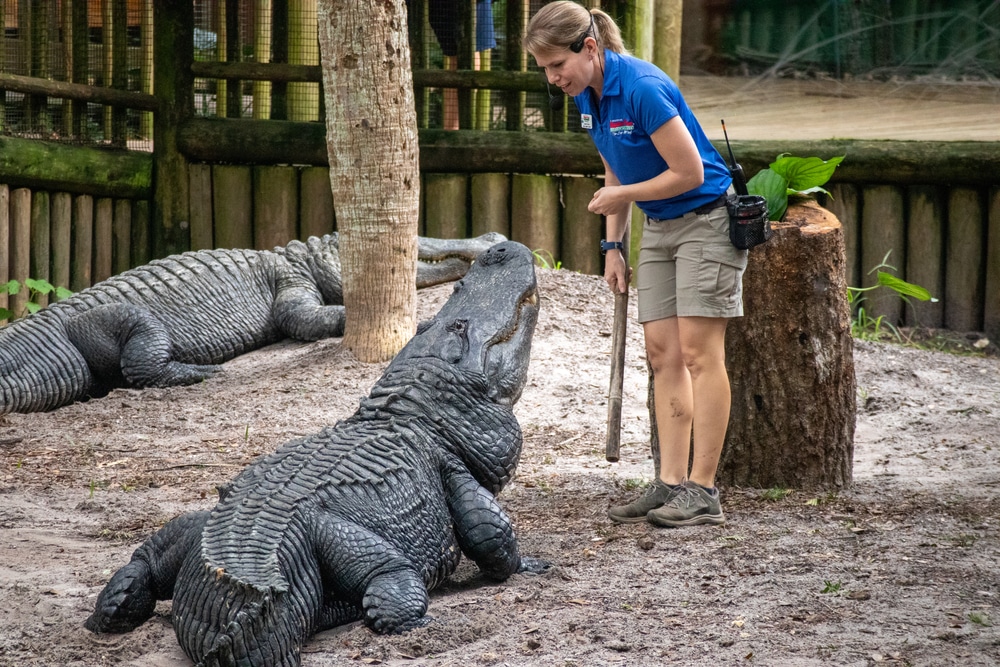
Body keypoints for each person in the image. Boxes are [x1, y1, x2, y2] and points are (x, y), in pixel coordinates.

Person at [524, 2, 747, 528]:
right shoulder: (589, 97)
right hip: (659, 227)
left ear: (591, 48)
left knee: (698, 352)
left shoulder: (642, 87)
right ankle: (669, 483)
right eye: (545, 69)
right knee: (661, 353)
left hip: (707, 219)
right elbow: (613, 167)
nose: (553, 77)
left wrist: (620, 194)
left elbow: (690, 171)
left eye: (558, 64)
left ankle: (704, 490)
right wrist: (613, 247)